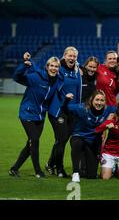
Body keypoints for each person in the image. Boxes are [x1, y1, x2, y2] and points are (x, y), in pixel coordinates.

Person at [9, 53, 63, 178]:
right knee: (35, 140)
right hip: (27, 113)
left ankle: (14, 168)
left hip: (40, 116)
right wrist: (24, 65)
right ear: (47, 66)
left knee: (31, 143)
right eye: (52, 66)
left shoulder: (56, 80)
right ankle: (38, 171)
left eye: (56, 66)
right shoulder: (35, 78)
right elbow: (16, 77)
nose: (54, 68)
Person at [63, 90, 116, 182]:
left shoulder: (108, 110)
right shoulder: (82, 108)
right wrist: (66, 100)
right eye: (97, 100)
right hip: (80, 137)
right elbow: (65, 108)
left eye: (102, 100)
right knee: (77, 143)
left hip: (94, 140)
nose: (99, 103)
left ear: (105, 102)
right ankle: (76, 172)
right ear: (92, 100)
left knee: (91, 175)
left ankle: (84, 164)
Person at [46, 46, 82, 178]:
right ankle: (59, 168)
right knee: (61, 139)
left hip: (72, 111)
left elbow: (79, 90)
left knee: (63, 140)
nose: (72, 58)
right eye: (69, 56)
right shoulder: (58, 68)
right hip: (58, 110)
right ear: (64, 56)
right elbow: (48, 73)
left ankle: (50, 163)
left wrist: (78, 108)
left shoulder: (77, 70)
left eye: (74, 56)